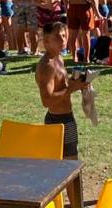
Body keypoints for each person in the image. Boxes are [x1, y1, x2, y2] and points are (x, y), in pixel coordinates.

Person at [35, 22, 88, 160]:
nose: (63, 40)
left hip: (66, 117)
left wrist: (77, 82)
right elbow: (46, 101)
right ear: (46, 41)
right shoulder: (47, 66)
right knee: (68, 163)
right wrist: (72, 88)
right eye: (58, 37)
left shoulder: (58, 58)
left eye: (64, 36)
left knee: (70, 159)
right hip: (58, 120)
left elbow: (62, 86)